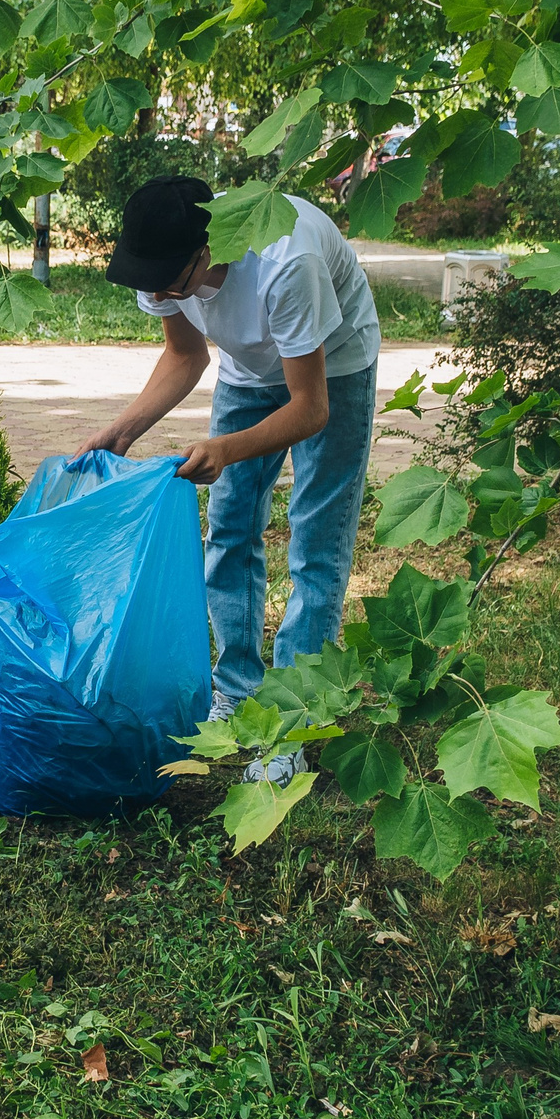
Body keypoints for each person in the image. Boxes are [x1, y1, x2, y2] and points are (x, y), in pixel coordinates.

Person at [76, 175, 382, 782]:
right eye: (150, 278)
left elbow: (310, 408)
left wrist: (226, 448)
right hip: (249, 371)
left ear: (209, 246)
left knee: (316, 540)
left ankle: (295, 719)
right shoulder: (163, 267)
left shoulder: (285, 262)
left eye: (172, 279)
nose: (160, 291)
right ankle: (238, 691)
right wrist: (122, 430)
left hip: (333, 369)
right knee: (230, 527)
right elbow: (186, 356)